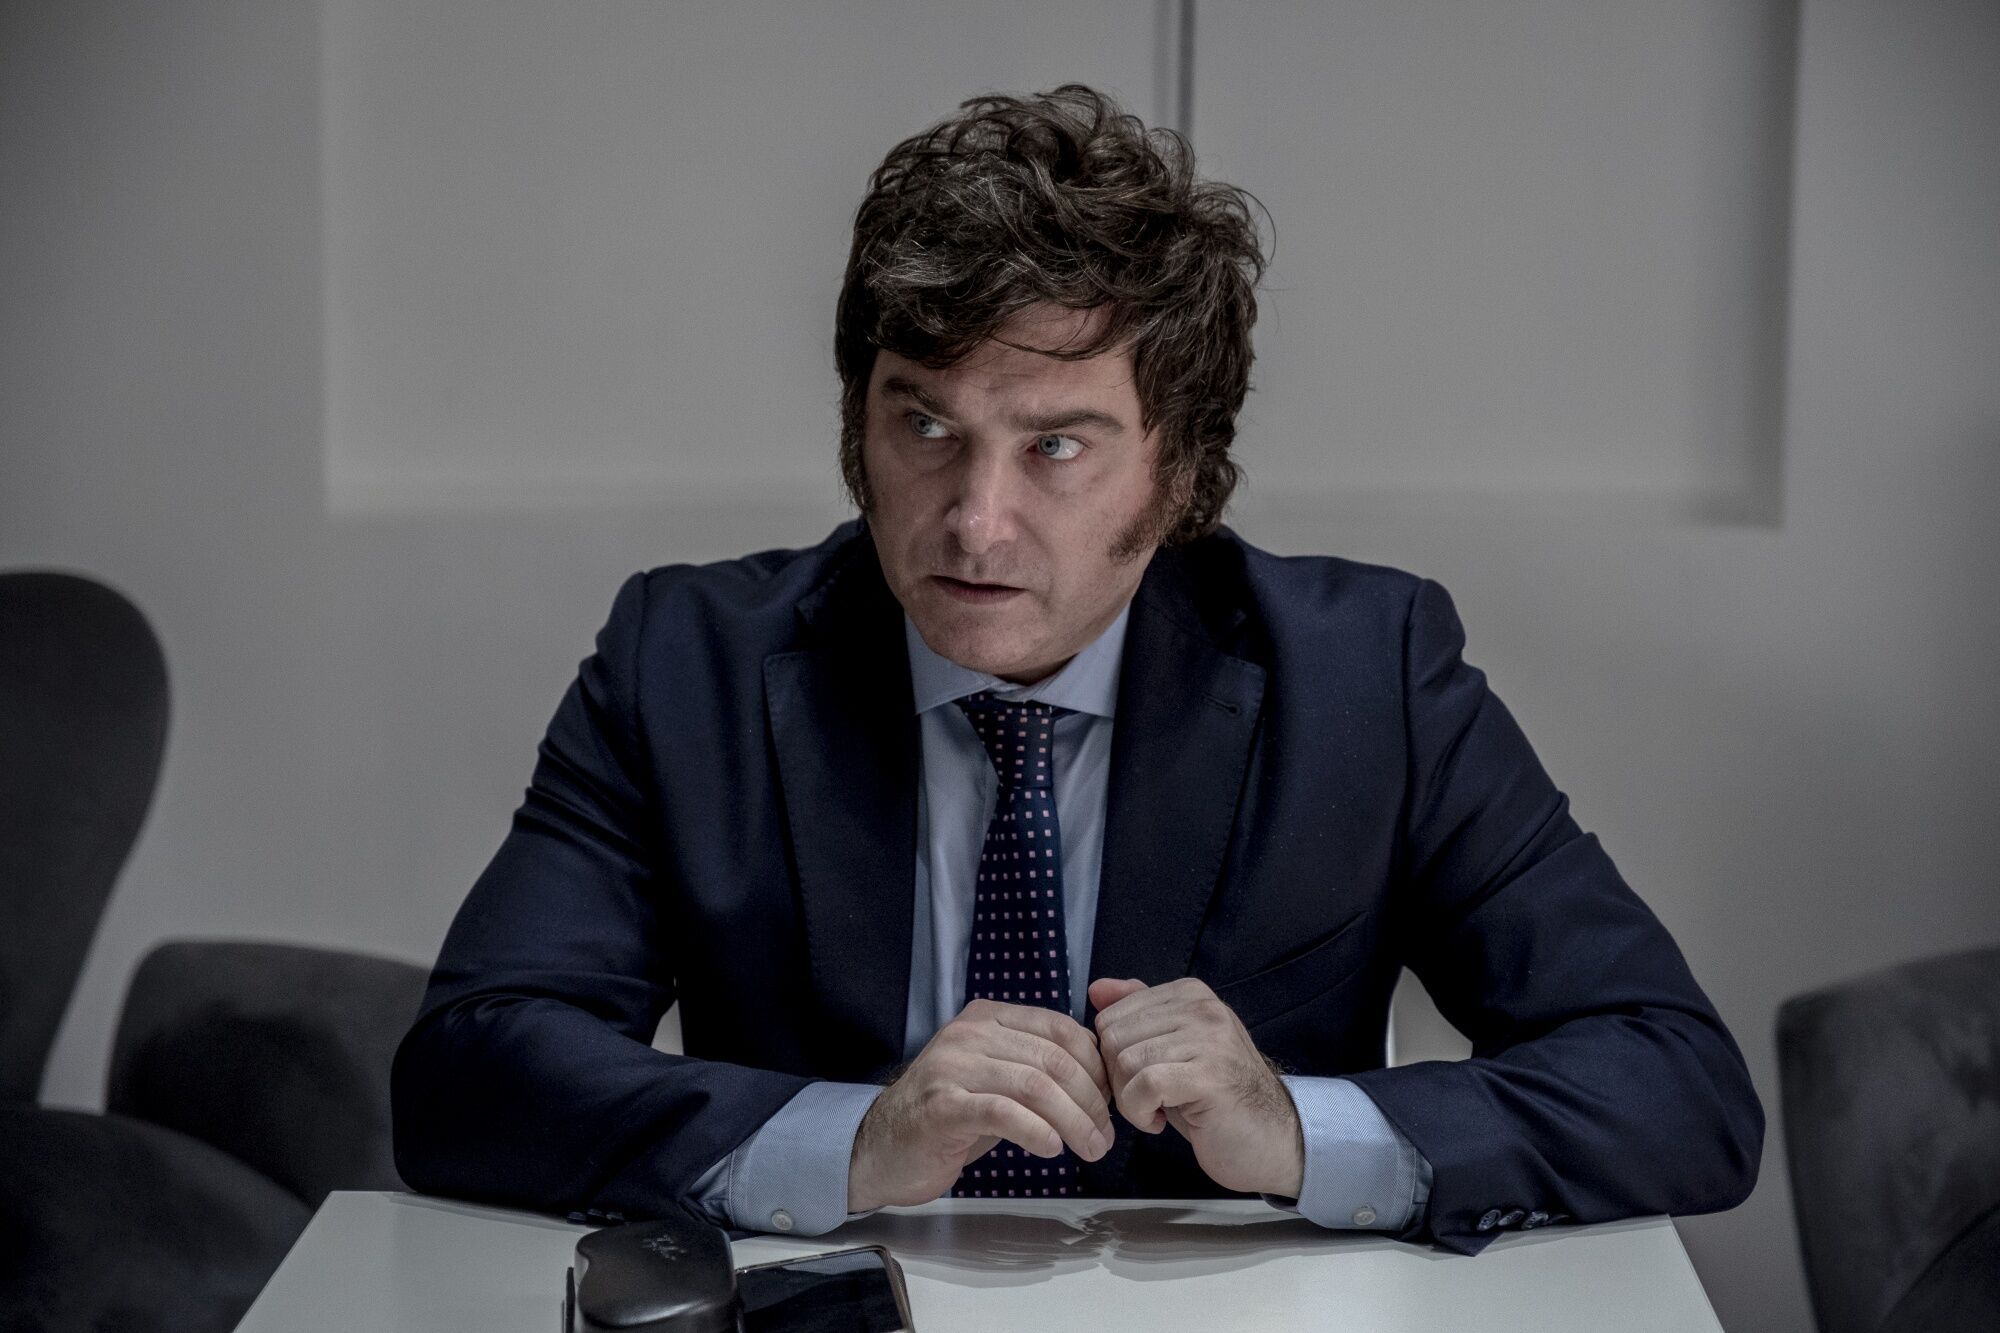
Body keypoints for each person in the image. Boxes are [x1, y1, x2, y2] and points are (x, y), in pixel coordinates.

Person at [390, 84, 1762, 1257]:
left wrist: (1300, 1128)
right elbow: (468, 1069)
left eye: (1055, 446)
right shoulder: (687, 663)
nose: (975, 522)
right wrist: (845, 1142)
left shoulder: (1368, 679)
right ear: (859, 424)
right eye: (926, 426)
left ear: (1181, 472)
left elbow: (1676, 1084)